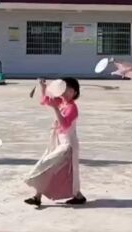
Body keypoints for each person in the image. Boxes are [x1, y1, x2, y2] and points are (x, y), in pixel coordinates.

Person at [24, 77, 86, 207]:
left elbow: (65, 125)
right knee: (48, 167)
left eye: (69, 90)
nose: (65, 92)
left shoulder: (72, 108)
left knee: (56, 169)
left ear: (74, 93)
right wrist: (43, 87)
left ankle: (78, 196)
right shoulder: (61, 102)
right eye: (64, 88)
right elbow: (47, 100)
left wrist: (55, 108)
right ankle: (38, 196)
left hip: (68, 145)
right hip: (57, 141)